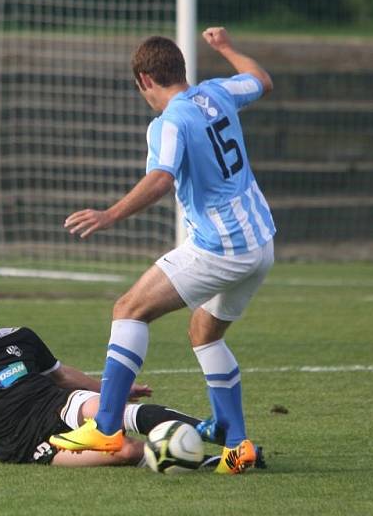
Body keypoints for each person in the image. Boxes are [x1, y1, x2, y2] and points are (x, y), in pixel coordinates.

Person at [49, 27, 275, 474]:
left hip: (222, 246)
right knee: (204, 334)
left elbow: (162, 178)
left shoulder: (169, 121)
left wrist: (110, 214)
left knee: (129, 308)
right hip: (261, 242)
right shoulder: (216, 94)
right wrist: (227, 49)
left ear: (145, 80)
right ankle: (237, 445)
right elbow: (261, 80)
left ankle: (107, 425)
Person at [0, 276, 230, 467]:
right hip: (30, 446)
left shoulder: (20, 337)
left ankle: (229, 442)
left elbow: (61, 375)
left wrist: (114, 390)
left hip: (61, 404)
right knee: (127, 451)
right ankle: (202, 459)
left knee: (115, 411)